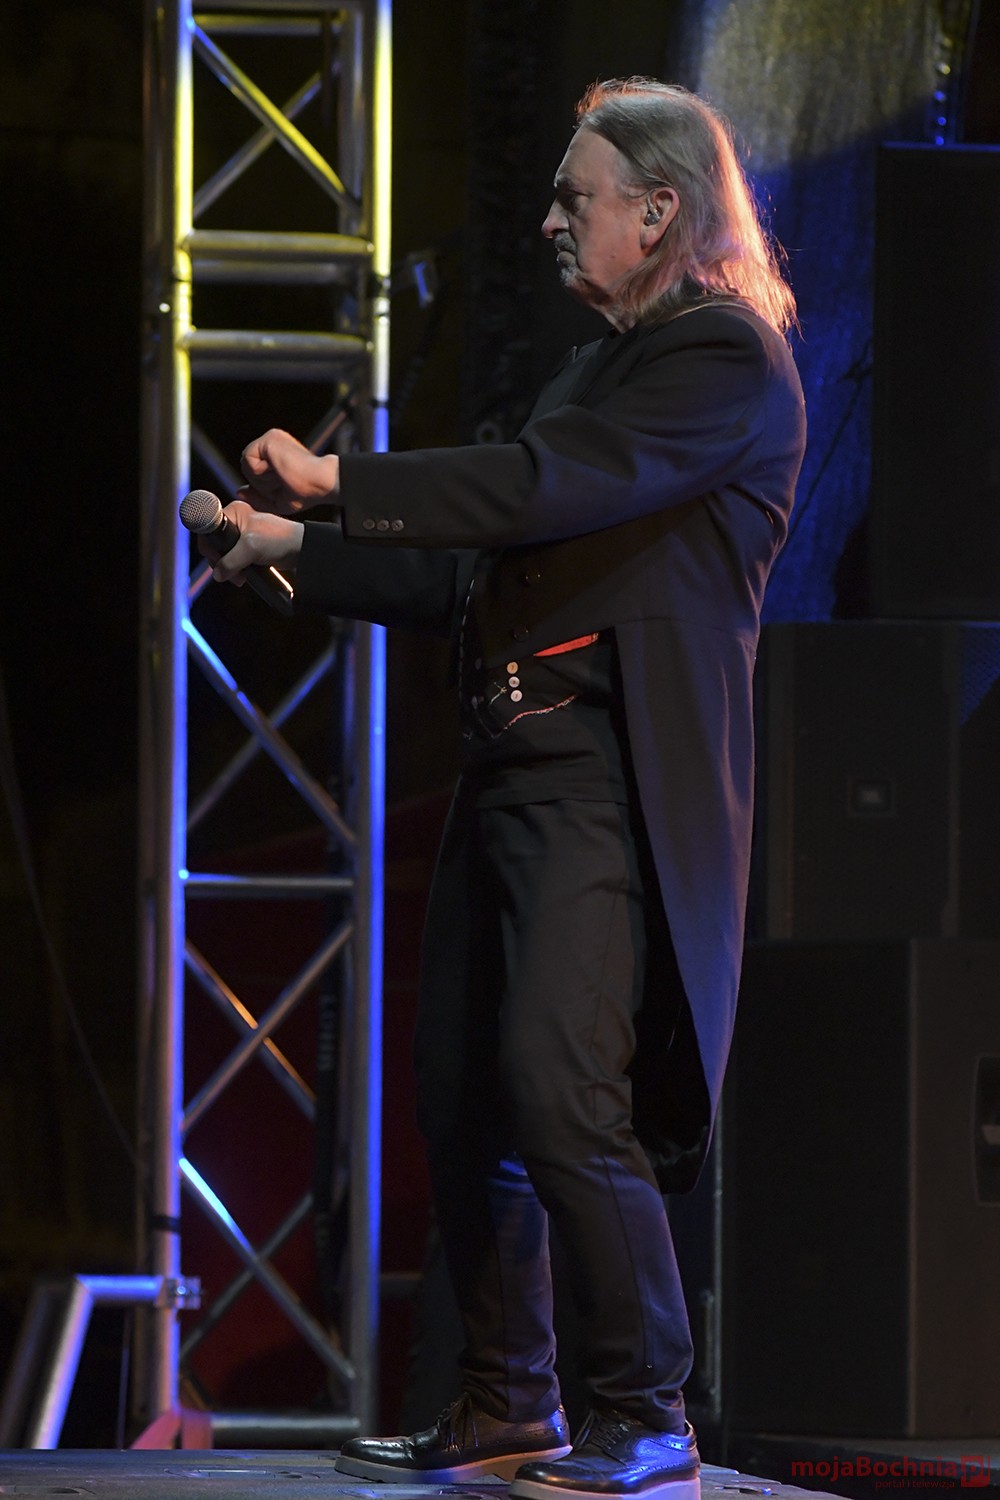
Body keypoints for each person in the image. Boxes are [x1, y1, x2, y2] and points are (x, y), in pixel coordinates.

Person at [204, 77, 805, 1500]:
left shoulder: (724, 361)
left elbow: (538, 487)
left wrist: (341, 480)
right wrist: (287, 553)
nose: (550, 221)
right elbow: (470, 570)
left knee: (559, 1084)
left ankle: (645, 1411)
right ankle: (504, 1401)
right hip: (515, 769)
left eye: (573, 197)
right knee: (465, 1092)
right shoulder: (592, 377)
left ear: (660, 210)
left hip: (607, 776)